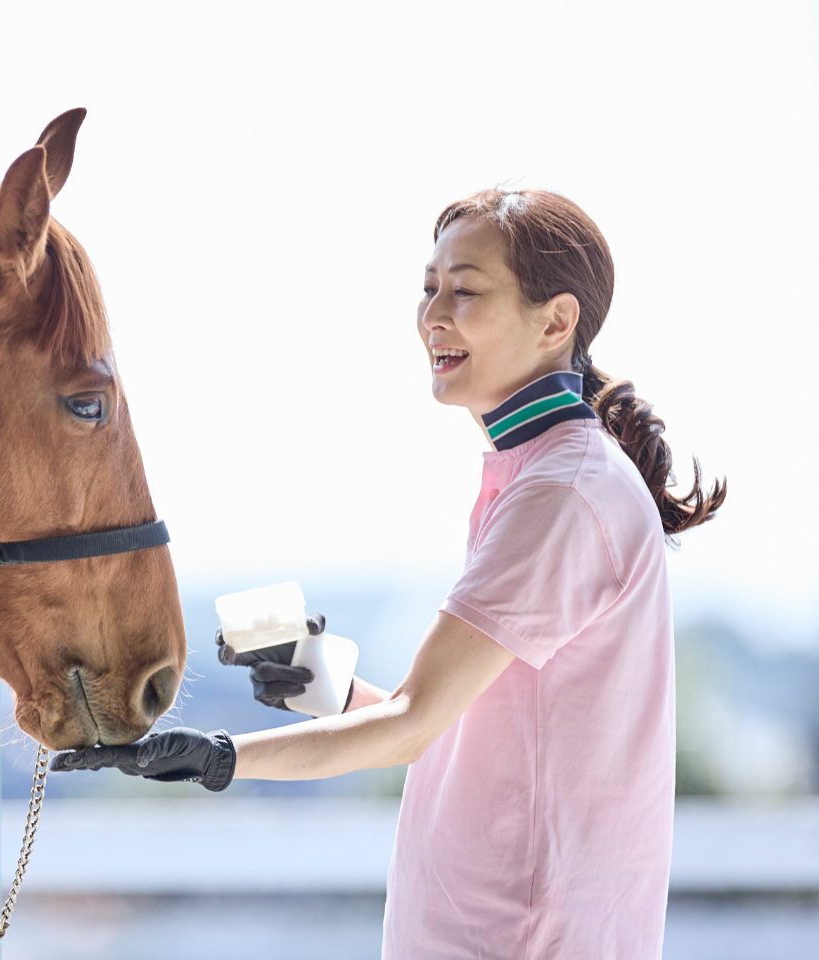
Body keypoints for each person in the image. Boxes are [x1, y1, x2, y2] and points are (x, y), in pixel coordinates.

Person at [52, 188, 726, 958]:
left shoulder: (561, 493)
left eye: (465, 290)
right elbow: (443, 726)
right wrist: (316, 680)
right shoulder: (544, 474)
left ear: (556, 321)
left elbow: (409, 728)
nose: (433, 314)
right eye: (429, 286)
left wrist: (220, 757)